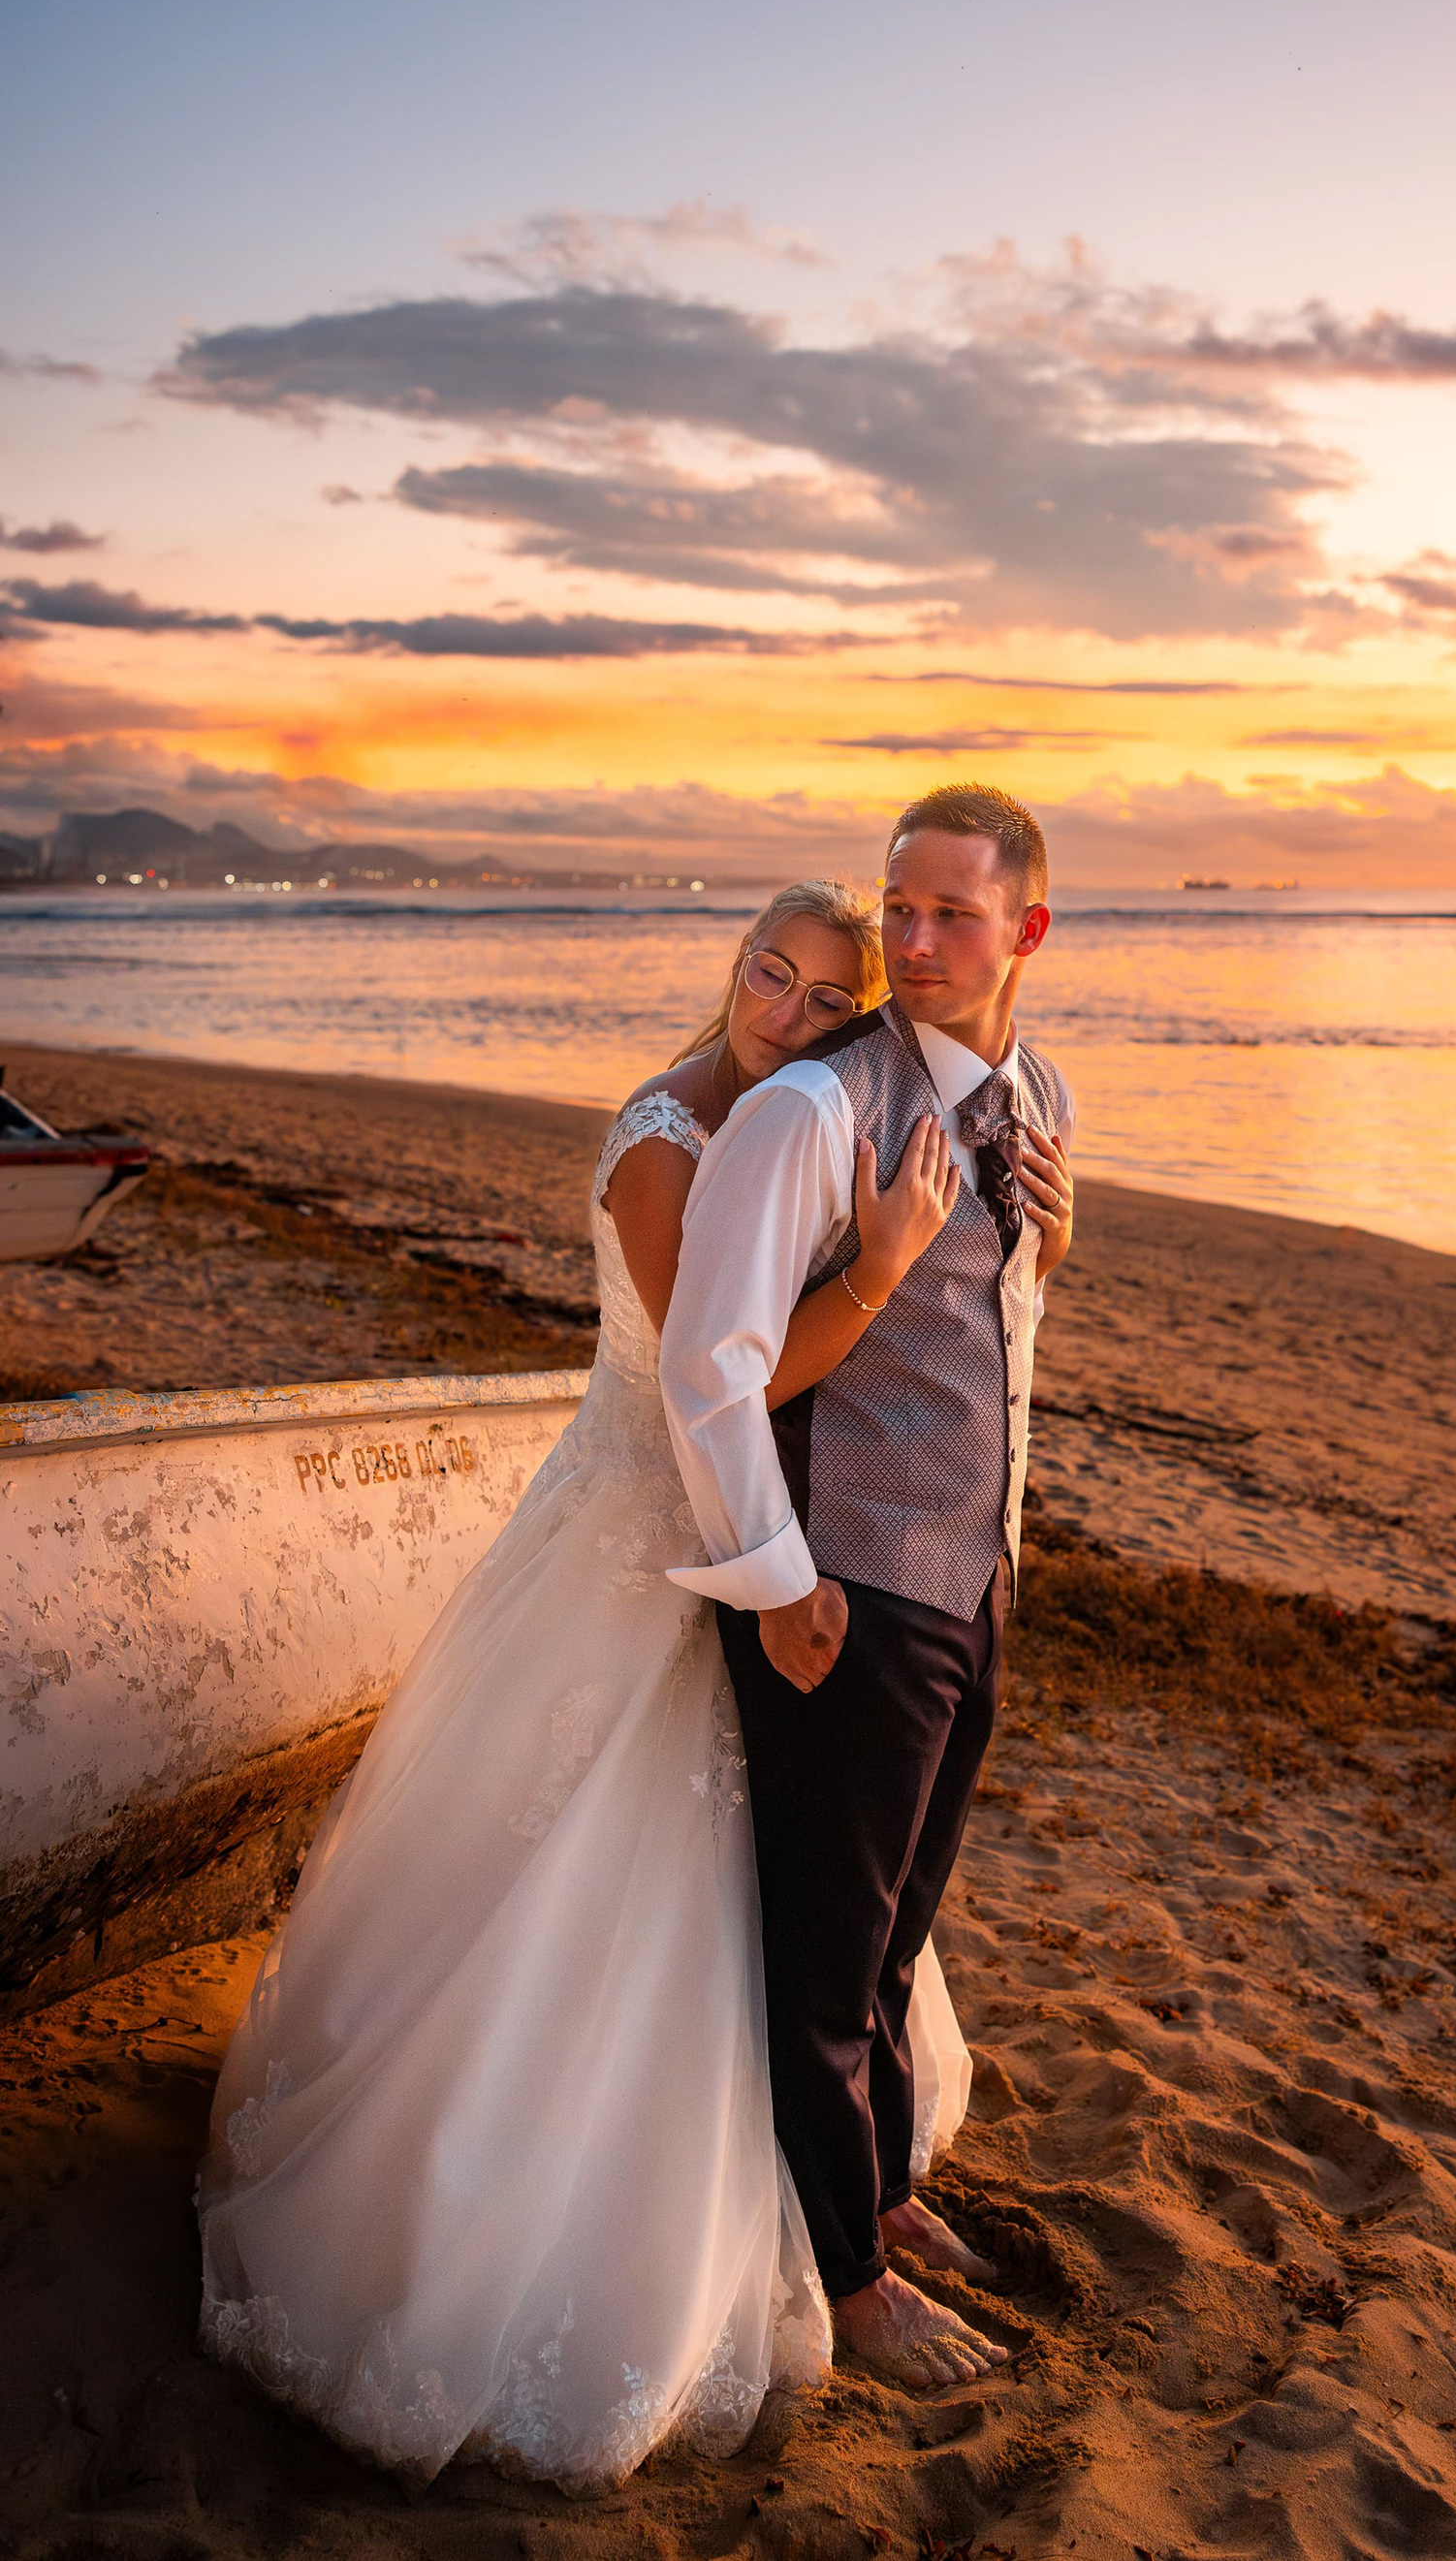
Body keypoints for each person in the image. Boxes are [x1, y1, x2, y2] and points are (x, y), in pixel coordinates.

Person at [197, 880, 970, 2493]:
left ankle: (837, 2172)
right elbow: (722, 1379)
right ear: (735, 962)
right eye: (772, 972)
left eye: (831, 1000)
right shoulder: (667, 1146)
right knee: (585, 1868)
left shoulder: (788, 1120)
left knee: (784, 1876)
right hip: (637, 1539)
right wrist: (884, 1268)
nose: (788, 1009)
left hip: (732, 1528)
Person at [659, 783, 1076, 2393]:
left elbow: (1004, 1328)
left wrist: (1062, 1239)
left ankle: (885, 2198)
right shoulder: (809, 1113)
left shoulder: (1034, 1091)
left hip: (969, 1583)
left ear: (1025, 929)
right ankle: (848, 2285)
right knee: (826, 1964)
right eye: (898, 907)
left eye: (949, 914)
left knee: (900, 1943)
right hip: (844, 1588)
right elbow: (711, 1368)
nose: (910, 942)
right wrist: (776, 1581)